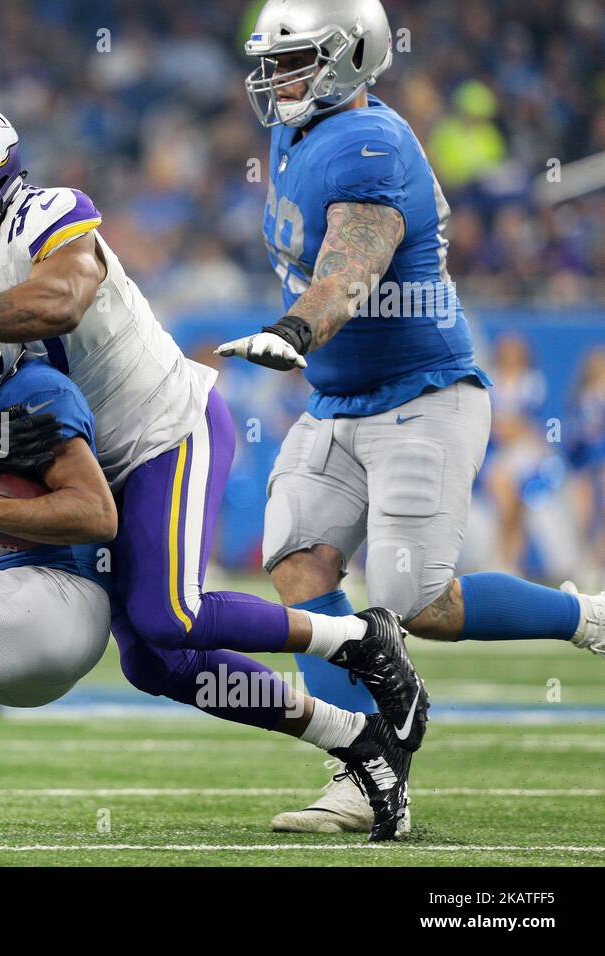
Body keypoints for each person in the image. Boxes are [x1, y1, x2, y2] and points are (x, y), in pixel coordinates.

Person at [0, 99, 426, 839]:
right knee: (156, 664)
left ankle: (359, 640)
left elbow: (59, 300)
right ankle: (356, 740)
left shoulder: (49, 216)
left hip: (158, 430)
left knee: (169, 615)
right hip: (65, 454)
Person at [220, 0, 604, 834]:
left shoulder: (369, 144)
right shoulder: (301, 130)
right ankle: (363, 770)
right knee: (296, 564)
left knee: (415, 598)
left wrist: (295, 331)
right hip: (338, 401)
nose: (277, 78)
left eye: (296, 60)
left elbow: (351, 270)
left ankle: (587, 618)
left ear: (352, 57)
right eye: (274, 60)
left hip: (420, 395)